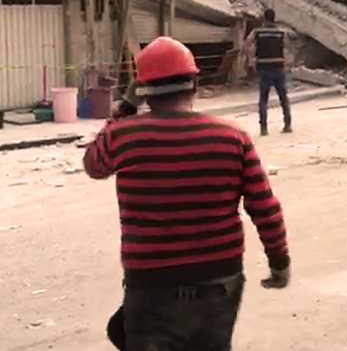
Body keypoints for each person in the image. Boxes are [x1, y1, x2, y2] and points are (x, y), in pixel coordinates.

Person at [83, 37, 290, 351]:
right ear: (194, 83)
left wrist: (124, 109)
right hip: (218, 283)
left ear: (142, 91)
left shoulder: (122, 135)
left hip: (150, 285)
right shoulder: (233, 137)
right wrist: (279, 261)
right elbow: (264, 207)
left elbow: (93, 165)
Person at [247, 9, 292, 136]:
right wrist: (286, 61)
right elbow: (288, 48)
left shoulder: (257, 32)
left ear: (264, 18)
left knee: (263, 99)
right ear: (274, 18)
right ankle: (287, 124)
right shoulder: (281, 32)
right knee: (283, 98)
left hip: (264, 67)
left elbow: (247, 44)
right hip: (279, 67)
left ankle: (264, 128)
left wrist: (252, 59)